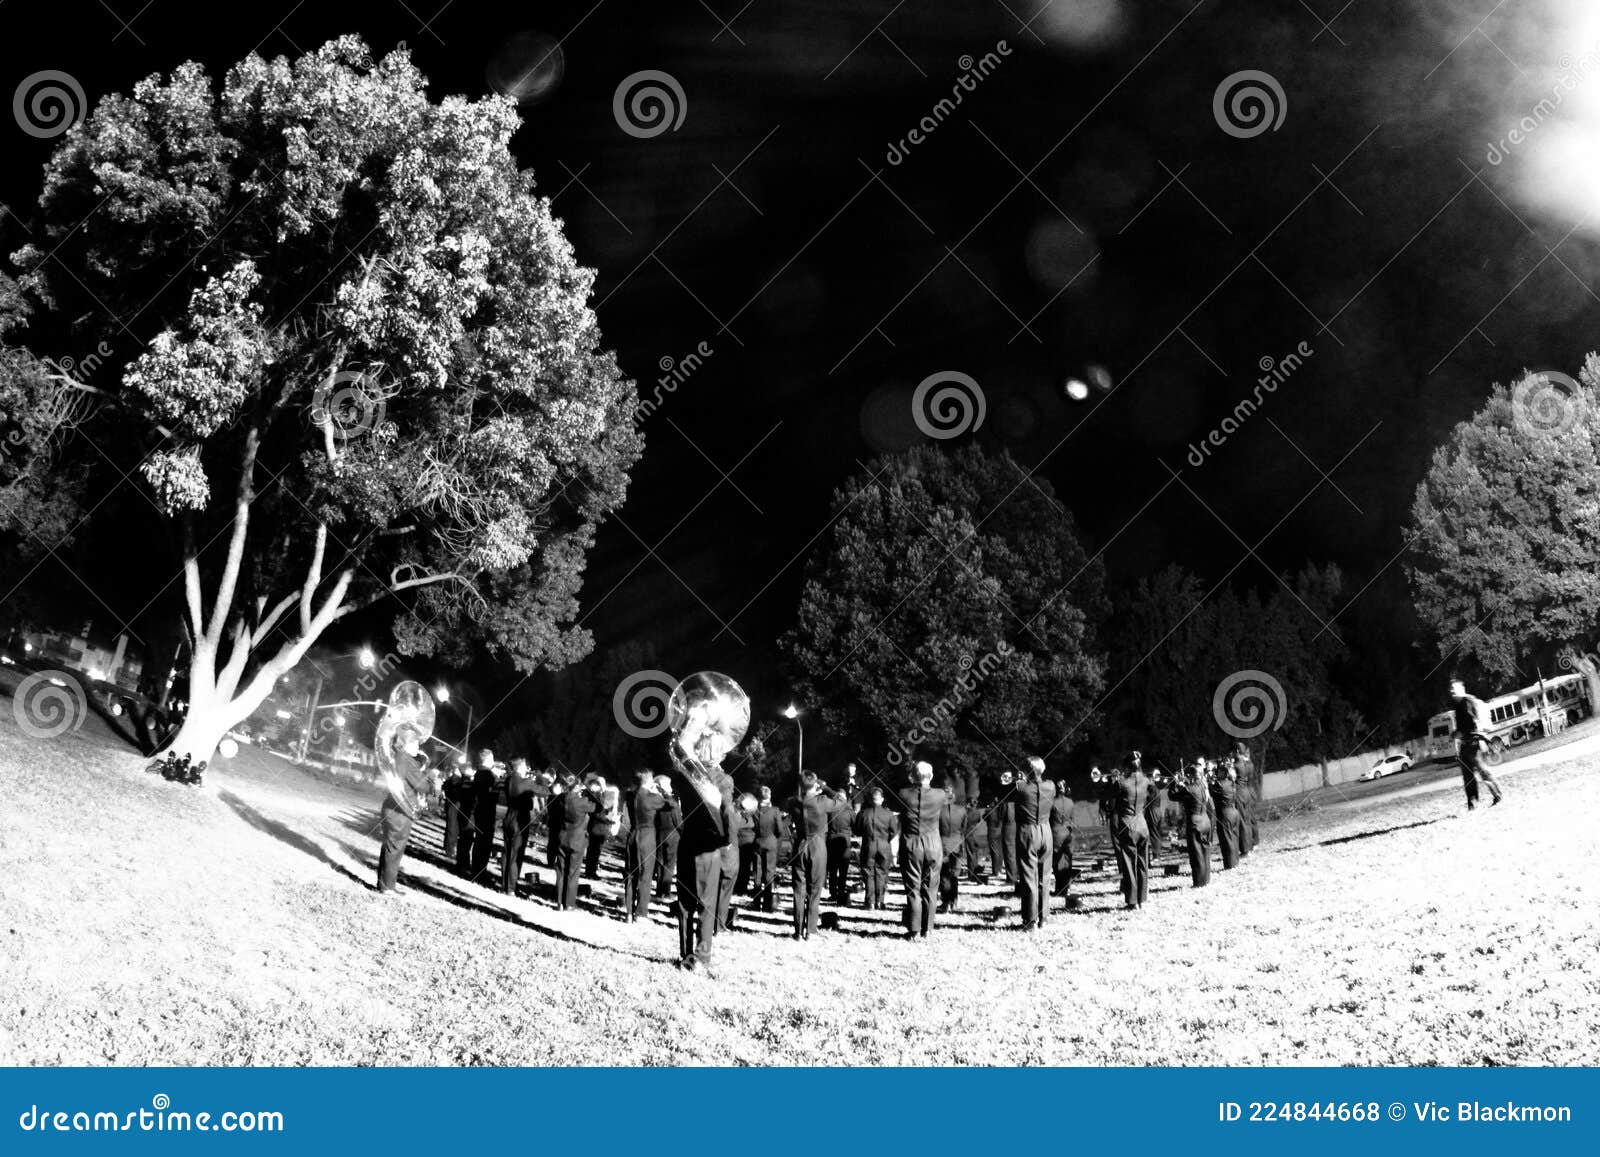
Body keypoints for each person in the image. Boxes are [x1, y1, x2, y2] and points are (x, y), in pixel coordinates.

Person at [667, 729, 739, 973]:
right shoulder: (724, 780)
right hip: (709, 849)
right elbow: (728, 813)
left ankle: (686, 957)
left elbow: (676, 807)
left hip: (687, 842)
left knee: (685, 904)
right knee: (707, 906)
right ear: (719, 754)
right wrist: (727, 840)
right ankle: (701, 959)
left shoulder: (684, 776)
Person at [376, 725, 432, 894]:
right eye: (415, 744)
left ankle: (386, 884)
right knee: (395, 849)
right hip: (400, 812)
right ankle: (387, 887)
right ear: (406, 744)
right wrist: (430, 781)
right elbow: (423, 786)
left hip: (392, 809)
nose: (418, 748)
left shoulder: (398, 757)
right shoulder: (406, 760)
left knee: (390, 848)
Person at [896, 761, 946, 939]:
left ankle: (915, 930)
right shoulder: (940, 794)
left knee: (913, 888)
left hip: (912, 844)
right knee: (931, 888)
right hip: (933, 843)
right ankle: (928, 929)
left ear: (913, 776)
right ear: (931, 776)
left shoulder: (903, 794)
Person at [786, 772, 834, 939]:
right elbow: (842, 801)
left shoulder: (793, 802)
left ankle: (798, 930)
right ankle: (811, 930)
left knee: (799, 889)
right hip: (818, 844)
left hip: (800, 844)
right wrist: (825, 786)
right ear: (815, 784)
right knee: (815, 889)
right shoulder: (822, 801)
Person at [1013, 756, 1055, 930]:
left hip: (1028, 831)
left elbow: (1010, 791)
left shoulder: (1020, 788)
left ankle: (1030, 920)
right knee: (1044, 876)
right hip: (1046, 830)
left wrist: (1020, 778)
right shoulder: (1051, 786)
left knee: (1029, 876)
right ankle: (1043, 917)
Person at [1450, 677, 1505, 810]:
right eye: (1451, 689)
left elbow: (1474, 724)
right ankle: (1472, 803)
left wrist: (1460, 733)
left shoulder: (1467, 702)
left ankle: (1497, 795)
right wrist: (1457, 733)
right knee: (1467, 776)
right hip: (1465, 745)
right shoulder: (1457, 706)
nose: (1451, 691)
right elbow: (1463, 726)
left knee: (1483, 772)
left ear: (1461, 689)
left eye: (1454, 688)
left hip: (1474, 744)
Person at [1108, 755, 1150, 909]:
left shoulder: (1122, 783)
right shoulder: (1146, 781)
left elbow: (1110, 796)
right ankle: (1142, 899)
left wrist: (1114, 780)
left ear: (1128, 767)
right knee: (1142, 863)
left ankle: (1132, 901)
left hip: (1128, 824)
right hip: (1142, 824)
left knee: (1129, 863)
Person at [623, 769, 665, 921]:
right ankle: (640, 912)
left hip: (633, 834)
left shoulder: (630, 795)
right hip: (647, 836)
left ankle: (628, 911)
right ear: (649, 781)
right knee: (645, 875)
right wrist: (660, 791)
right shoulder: (653, 798)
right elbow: (668, 803)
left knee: (630, 873)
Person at [1168, 763, 1212, 888]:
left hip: (1195, 823)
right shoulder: (1204, 785)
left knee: (1196, 854)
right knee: (1205, 852)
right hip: (1206, 821)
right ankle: (1206, 879)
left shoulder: (1189, 789)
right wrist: (1184, 785)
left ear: (1192, 776)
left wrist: (1174, 783)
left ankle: (1199, 881)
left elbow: (1172, 796)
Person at [854, 786, 897, 910]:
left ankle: (870, 902)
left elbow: (857, 830)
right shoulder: (889, 814)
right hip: (884, 845)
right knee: (882, 873)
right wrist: (886, 840)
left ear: (869, 799)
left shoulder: (863, 813)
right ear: (882, 799)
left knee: (868, 873)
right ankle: (880, 901)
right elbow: (894, 831)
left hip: (868, 844)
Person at [555, 777, 595, 910]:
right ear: (577, 787)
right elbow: (597, 807)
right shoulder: (582, 802)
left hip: (562, 836)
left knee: (561, 870)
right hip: (577, 839)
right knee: (573, 873)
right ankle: (569, 903)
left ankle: (559, 901)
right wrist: (591, 793)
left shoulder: (560, 799)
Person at [500, 757, 538, 896]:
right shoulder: (526, 782)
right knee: (516, 854)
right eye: (525, 766)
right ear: (520, 767)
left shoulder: (509, 779)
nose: (527, 768)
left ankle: (505, 884)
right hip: (520, 820)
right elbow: (543, 791)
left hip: (508, 817)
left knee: (507, 852)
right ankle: (511, 887)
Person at [467, 748, 500, 884]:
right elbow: (492, 796)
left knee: (480, 843)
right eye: (492, 758)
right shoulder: (488, 775)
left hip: (480, 812)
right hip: (486, 813)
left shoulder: (479, 773)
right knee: (484, 844)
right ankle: (480, 873)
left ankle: (476, 871)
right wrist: (496, 780)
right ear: (487, 760)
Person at [752, 785, 785, 913]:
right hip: (770, 842)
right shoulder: (775, 811)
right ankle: (767, 904)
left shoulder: (754, 811)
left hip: (757, 842)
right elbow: (780, 830)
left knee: (757, 873)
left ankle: (756, 903)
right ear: (769, 796)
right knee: (769, 873)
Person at [937, 784, 967, 913]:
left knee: (944, 875)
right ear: (953, 796)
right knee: (954, 875)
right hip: (957, 843)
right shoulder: (962, 810)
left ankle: (946, 902)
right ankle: (954, 901)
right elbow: (964, 828)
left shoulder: (938, 810)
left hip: (942, 843)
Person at [1208, 761, 1243, 871]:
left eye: (1218, 772)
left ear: (1223, 773)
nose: (1217, 774)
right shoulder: (1231, 782)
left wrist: (1209, 782)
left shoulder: (1220, 784)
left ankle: (1230, 864)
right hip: (1234, 812)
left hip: (1225, 813)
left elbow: (1211, 791)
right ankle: (1235, 861)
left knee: (1226, 840)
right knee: (1234, 837)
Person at [584, 775, 621, 879]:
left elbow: (606, 807)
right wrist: (609, 820)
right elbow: (599, 811)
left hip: (601, 827)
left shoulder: (606, 795)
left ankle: (590, 870)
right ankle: (591, 872)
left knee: (594, 850)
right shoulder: (595, 795)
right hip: (597, 826)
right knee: (594, 850)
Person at [653, 776, 682, 900]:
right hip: (672, 836)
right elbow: (678, 822)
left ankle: (659, 891)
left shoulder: (657, 801)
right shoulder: (673, 803)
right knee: (669, 864)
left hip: (660, 834)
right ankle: (666, 891)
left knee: (660, 863)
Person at [440, 760, 473, 863]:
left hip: (454, 805)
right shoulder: (456, 779)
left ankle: (449, 848)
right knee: (452, 828)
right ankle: (450, 850)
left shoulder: (456, 779)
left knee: (452, 827)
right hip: (454, 805)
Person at [826, 787, 854, 904]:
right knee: (843, 871)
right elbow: (855, 825)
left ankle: (833, 893)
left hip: (832, 840)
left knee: (833, 870)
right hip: (845, 841)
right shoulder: (850, 812)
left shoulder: (830, 811)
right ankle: (841, 892)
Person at [1049, 778, 1074, 906]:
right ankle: (1067, 887)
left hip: (1056, 833)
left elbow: (1049, 818)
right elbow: (1071, 818)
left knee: (1056, 863)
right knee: (1067, 861)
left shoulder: (1052, 802)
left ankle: (1059, 889)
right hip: (1068, 833)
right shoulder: (1070, 802)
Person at [996, 770, 1019, 884]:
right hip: (1019, 824)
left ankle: (1012, 877)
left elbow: (1000, 815)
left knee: (1009, 852)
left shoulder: (1006, 798)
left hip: (1009, 825)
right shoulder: (1019, 789)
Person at [733, 795, 758, 895]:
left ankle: (739, 887)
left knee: (742, 865)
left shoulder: (737, 813)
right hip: (747, 840)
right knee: (745, 865)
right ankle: (741, 887)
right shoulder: (753, 815)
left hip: (742, 840)